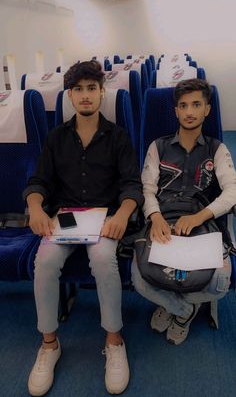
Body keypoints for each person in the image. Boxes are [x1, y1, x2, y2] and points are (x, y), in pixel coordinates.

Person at [23, 60, 143, 396]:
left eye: (92, 88)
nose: (86, 95)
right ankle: (49, 344)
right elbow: (38, 181)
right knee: (44, 262)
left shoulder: (118, 137)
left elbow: (132, 184)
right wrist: (34, 207)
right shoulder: (56, 138)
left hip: (105, 218)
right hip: (66, 217)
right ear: (69, 95)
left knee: (104, 260)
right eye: (79, 89)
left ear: (102, 93)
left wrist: (122, 214)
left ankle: (114, 340)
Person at [132, 78, 236, 345]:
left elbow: (232, 192)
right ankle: (184, 310)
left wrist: (200, 216)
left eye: (196, 105)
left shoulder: (217, 149)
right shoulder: (158, 146)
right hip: (162, 220)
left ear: (207, 110)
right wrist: (154, 217)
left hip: (200, 221)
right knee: (138, 279)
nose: (189, 111)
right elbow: (146, 188)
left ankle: (171, 306)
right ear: (176, 110)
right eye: (183, 105)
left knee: (222, 281)